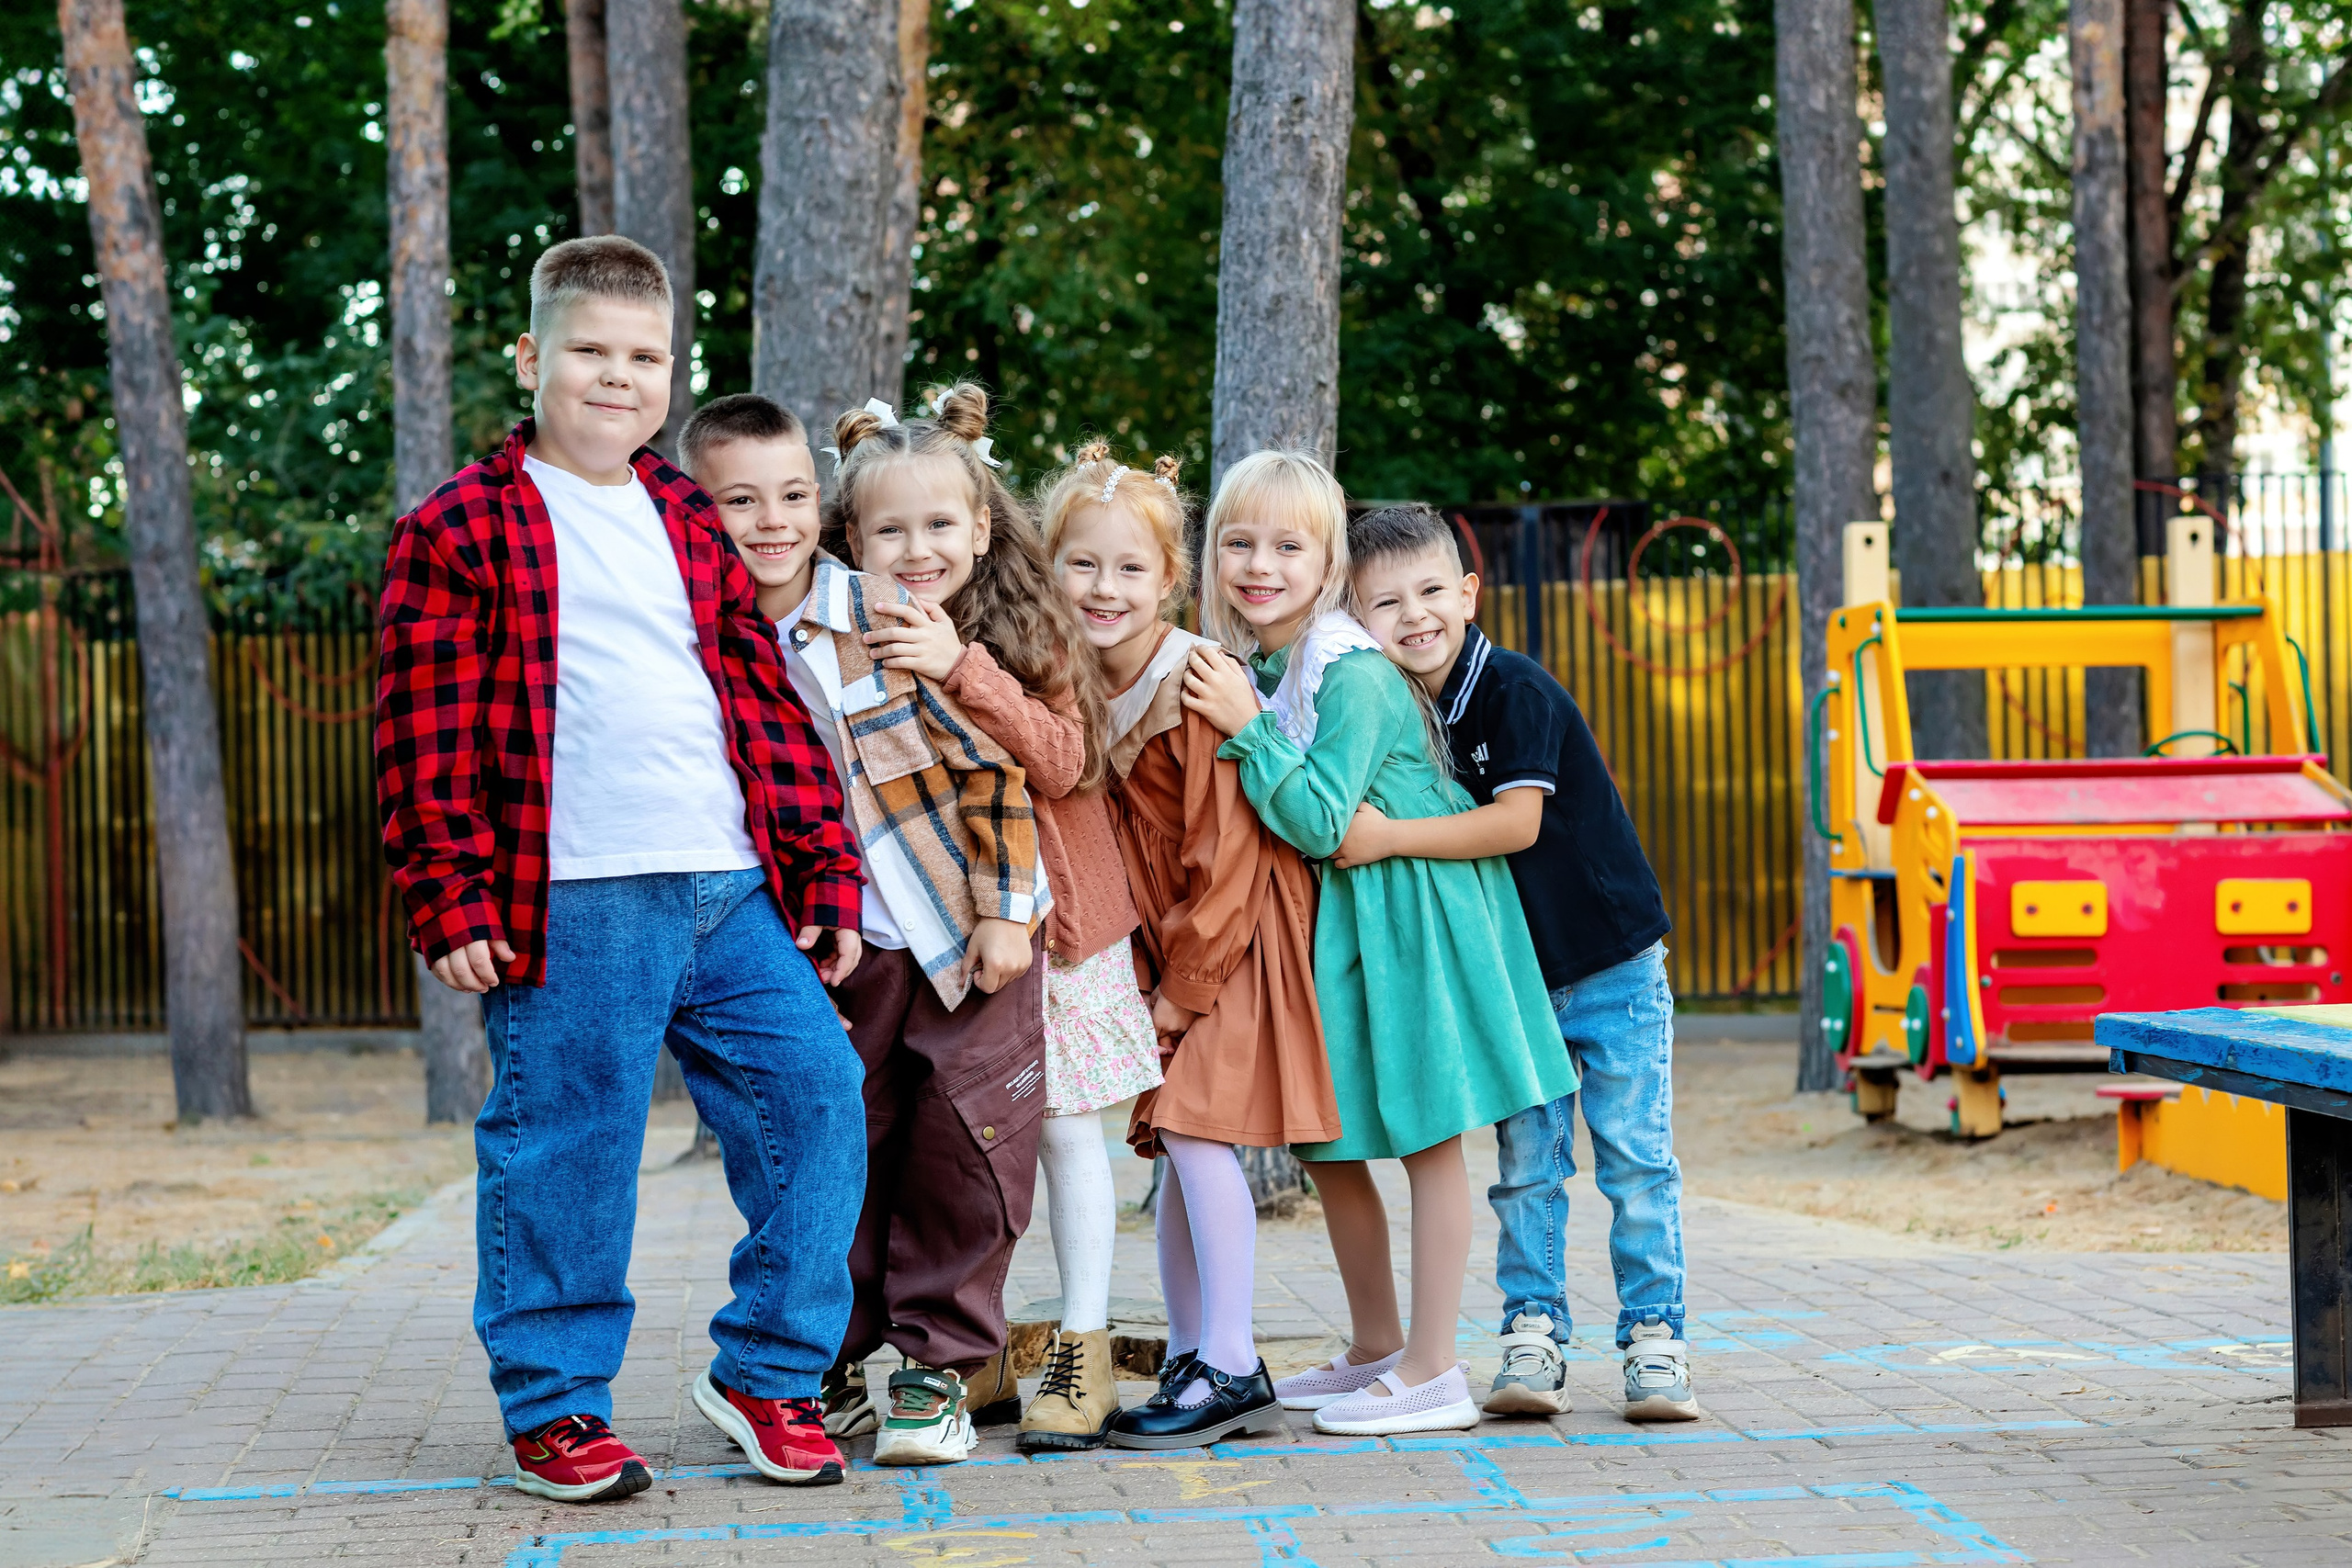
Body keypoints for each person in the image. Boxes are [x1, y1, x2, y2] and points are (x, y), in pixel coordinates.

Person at [376, 236, 866, 1504]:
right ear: (532, 357)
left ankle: (768, 1369)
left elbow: (761, 695)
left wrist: (819, 869)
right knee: (571, 1145)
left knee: (818, 1090)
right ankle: (555, 1402)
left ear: (669, 372)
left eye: (644, 356)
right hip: (573, 891)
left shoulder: (686, 514)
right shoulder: (461, 526)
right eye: (590, 351)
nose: (618, 376)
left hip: (726, 882)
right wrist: (449, 892)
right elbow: (420, 730)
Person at [1180, 452, 1574, 1437]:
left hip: (1420, 910)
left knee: (1429, 1136)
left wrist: (1245, 729)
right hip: (1355, 924)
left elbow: (1319, 820)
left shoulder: (1348, 672)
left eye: (1287, 546)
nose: (1259, 563)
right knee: (1330, 1136)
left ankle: (1436, 1368)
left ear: (1326, 569)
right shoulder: (1280, 663)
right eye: (1239, 543)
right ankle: (1374, 1345)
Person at [702, 387, 1053, 1467]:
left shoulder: (888, 619)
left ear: (822, 517)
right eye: (737, 504)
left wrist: (1002, 908)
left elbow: (992, 773)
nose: (769, 524)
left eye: (792, 498)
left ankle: (937, 1373)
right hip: (828, 953)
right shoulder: (705, 639)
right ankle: (835, 1361)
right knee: (835, 1152)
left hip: (960, 940)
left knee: (965, 1155)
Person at [1329, 503, 1694, 1422]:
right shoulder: (1399, 705)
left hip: (1613, 967)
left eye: (1429, 592)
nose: (1413, 616)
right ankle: (1532, 1335)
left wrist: (1384, 840)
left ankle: (1655, 1342)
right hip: (1520, 980)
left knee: (1635, 1164)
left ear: (1468, 591)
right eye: (1384, 603)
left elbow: (1515, 823)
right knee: (1528, 1166)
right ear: (1353, 618)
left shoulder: (1511, 690)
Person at [846, 415, 1163, 1453]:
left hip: (1057, 925)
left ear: (982, 530)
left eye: (940, 523)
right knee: (955, 1138)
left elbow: (1064, 762)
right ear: (856, 539)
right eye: (891, 529)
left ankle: (1080, 1349)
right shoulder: (848, 625)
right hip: (935, 933)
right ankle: (968, 1355)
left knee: (1066, 1129)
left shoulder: (1022, 628)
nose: (918, 549)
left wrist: (960, 666)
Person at [1036, 443, 1340, 1449]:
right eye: (1082, 565)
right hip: (1170, 951)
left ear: (1169, 579)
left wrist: (1181, 988)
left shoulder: (1194, 681)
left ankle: (1233, 1363)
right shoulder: (1076, 683)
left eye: (1130, 569)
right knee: (1171, 1135)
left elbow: (1228, 852)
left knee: (1199, 1131)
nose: (1104, 588)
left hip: (1235, 938)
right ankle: (1190, 1351)